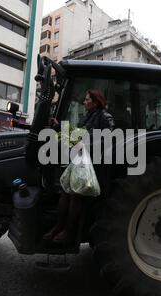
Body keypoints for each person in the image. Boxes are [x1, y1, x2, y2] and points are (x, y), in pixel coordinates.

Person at [44, 89, 115, 244]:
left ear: (96, 102)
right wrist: (59, 128)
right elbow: (75, 135)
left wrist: (86, 143)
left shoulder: (105, 117)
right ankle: (59, 227)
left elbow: (107, 141)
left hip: (94, 164)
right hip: (80, 160)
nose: (84, 102)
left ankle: (69, 232)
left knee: (75, 194)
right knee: (65, 191)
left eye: (87, 99)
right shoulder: (87, 117)